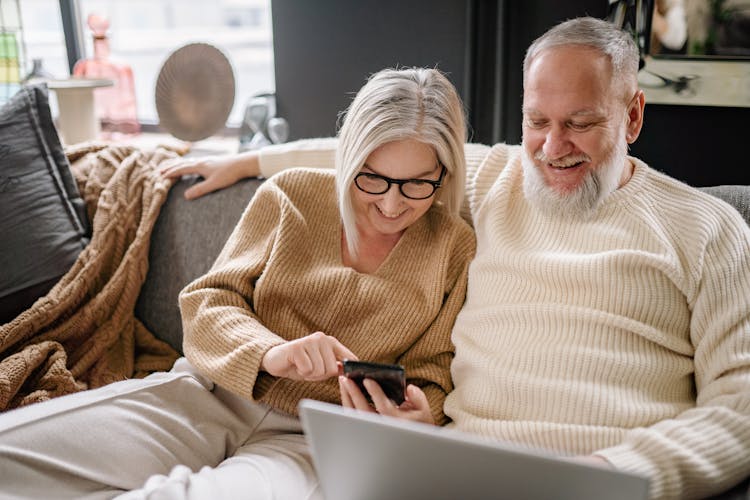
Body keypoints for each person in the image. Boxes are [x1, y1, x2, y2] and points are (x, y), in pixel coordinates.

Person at [163, 17, 750, 499]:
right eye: (537, 122)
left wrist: (619, 471)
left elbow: (741, 409)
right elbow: (387, 147)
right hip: (454, 470)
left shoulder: (708, 229)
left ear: (634, 116)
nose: (552, 147)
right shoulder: (497, 178)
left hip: (605, 479)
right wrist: (247, 162)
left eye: (581, 124)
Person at [0, 67, 475, 499]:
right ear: (349, 159)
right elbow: (209, 302)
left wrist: (420, 416)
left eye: (417, 184)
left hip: (312, 441)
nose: (392, 205)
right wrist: (271, 352)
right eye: (373, 179)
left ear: (444, 174)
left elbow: (433, 371)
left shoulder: (453, 246)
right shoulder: (292, 194)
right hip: (208, 396)